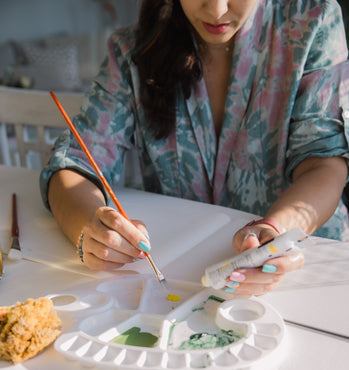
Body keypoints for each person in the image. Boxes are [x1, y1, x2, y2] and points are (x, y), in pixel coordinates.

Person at [40, 0, 349, 296]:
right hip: (180, 276)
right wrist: (90, 228)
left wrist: (275, 229)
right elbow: (75, 161)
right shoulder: (132, 50)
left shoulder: (312, 23)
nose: (216, 10)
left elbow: (323, 161)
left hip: (310, 273)